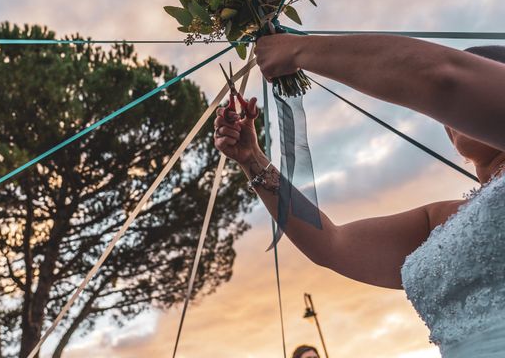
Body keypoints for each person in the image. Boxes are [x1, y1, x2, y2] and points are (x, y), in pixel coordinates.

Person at [213, 33, 505, 358]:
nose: (455, 113)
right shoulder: (440, 220)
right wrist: (252, 158)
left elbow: (443, 79)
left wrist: (297, 49)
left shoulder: (449, 84)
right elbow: (331, 245)